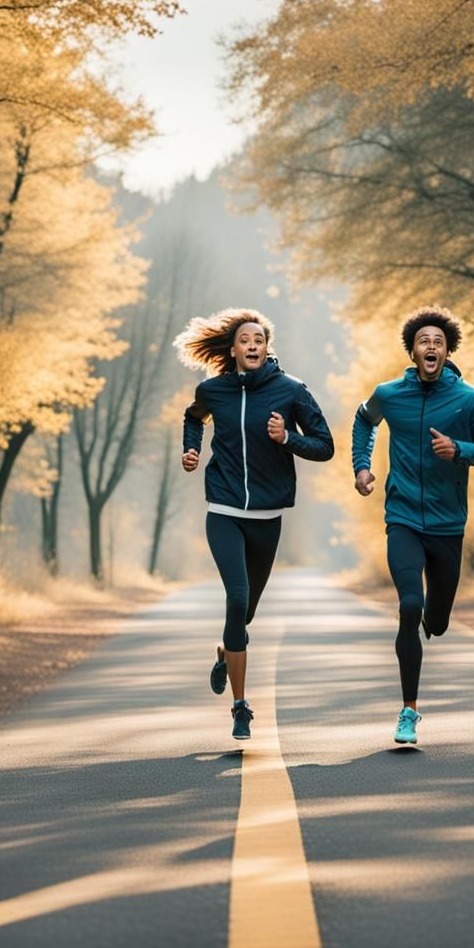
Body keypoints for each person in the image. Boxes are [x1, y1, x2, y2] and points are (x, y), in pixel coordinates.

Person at [352, 307, 474, 745]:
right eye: (424, 340)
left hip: (447, 527)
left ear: (447, 351)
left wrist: (459, 449)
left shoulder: (468, 400)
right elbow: (364, 420)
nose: (431, 347)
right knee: (408, 606)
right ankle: (409, 710)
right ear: (412, 349)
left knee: (436, 621)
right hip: (402, 518)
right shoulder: (389, 393)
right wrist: (362, 468)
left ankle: (433, 620)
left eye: (439, 341)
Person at [177, 309, 334, 740]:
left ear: (267, 348)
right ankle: (241, 707)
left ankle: (226, 649)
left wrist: (287, 439)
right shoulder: (214, 391)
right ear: (233, 350)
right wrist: (192, 450)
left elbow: (326, 447)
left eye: (259, 340)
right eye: (245, 340)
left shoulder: (291, 391)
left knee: (245, 612)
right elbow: (194, 418)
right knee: (237, 596)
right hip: (224, 511)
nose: (252, 346)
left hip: (267, 517)